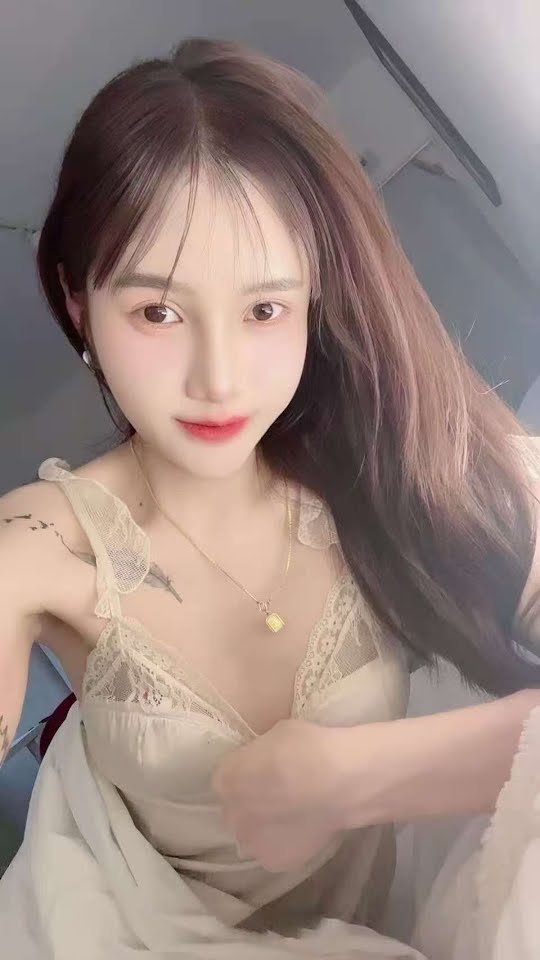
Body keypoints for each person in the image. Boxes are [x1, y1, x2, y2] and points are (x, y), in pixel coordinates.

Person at [1, 37, 540, 959]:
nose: (219, 380)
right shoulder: (40, 549)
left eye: (264, 310)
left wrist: (348, 776)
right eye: (158, 312)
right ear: (78, 302)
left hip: (397, 912)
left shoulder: (396, 451)